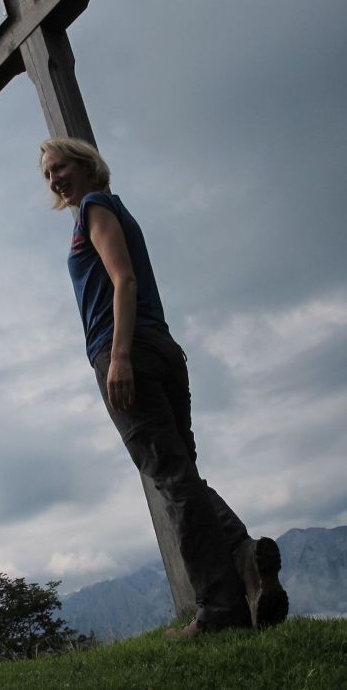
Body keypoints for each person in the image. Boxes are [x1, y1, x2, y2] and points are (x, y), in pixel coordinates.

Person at [39, 138, 287, 638]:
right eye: (46, 174)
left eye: (59, 166)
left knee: (171, 479)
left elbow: (123, 280)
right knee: (182, 474)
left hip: (128, 349)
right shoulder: (113, 210)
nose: (53, 179)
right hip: (163, 350)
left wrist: (120, 357)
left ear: (85, 165)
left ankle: (218, 610)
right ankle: (246, 566)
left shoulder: (94, 207)